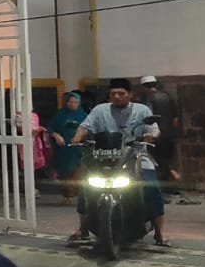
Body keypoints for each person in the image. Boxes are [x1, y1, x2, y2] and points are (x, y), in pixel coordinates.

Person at [69, 78, 168, 247]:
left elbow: (153, 129)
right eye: (113, 93)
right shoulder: (100, 110)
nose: (116, 96)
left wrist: (151, 135)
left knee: (151, 188)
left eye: (121, 93)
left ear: (130, 95)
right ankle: (83, 229)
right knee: (86, 186)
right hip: (103, 157)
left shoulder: (142, 110)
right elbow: (85, 126)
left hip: (136, 157)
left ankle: (160, 234)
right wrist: (78, 136)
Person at [139, 76, 183, 183]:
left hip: (157, 134)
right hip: (169, 133)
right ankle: (172, 176)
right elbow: (176, 117)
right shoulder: (168, 96)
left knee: (156, 159)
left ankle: (170, 173)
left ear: (144, 87)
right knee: (169, 157)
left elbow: (149, 118)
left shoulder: (149, 99)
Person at [46, 91, 88, 192]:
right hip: (63, 149)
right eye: (71, 102)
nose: (73, 104)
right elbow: (50, 128)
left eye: (76, 102)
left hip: (78, 149)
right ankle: (66, 194)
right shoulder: (60, 114)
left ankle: (75, 193)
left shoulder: (83, 115)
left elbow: (88, 128)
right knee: (64, 172)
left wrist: (79, 136)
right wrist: (57, 136)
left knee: (77, 172)